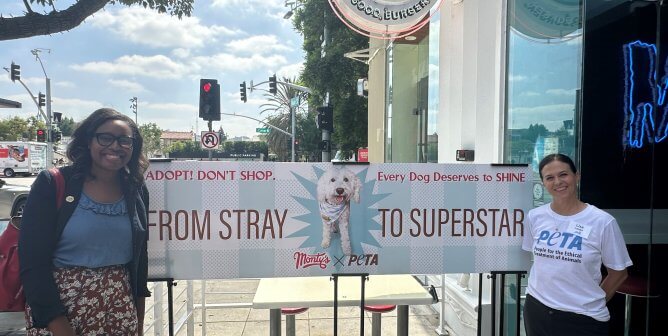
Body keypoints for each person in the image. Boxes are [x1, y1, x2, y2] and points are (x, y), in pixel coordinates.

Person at [19, 108, 151, 335]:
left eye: (124, 140)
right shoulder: (53, 183)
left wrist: (138, 320)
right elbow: (32, 263)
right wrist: (58, 325)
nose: (115, 146)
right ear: (88, 141)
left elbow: (141, 258)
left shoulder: (135, 188)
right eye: (105, 137)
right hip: (61, 312)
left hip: (120, 310)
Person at [522, 153, 632, 336]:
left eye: (563, 174)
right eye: (550, 177)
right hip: (537, 309)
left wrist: (591, 302)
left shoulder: (602, 222)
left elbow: (619, 273)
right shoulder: (535, 217)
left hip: (583, 319)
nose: (558, 182)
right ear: (543, 183)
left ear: (577, 176)